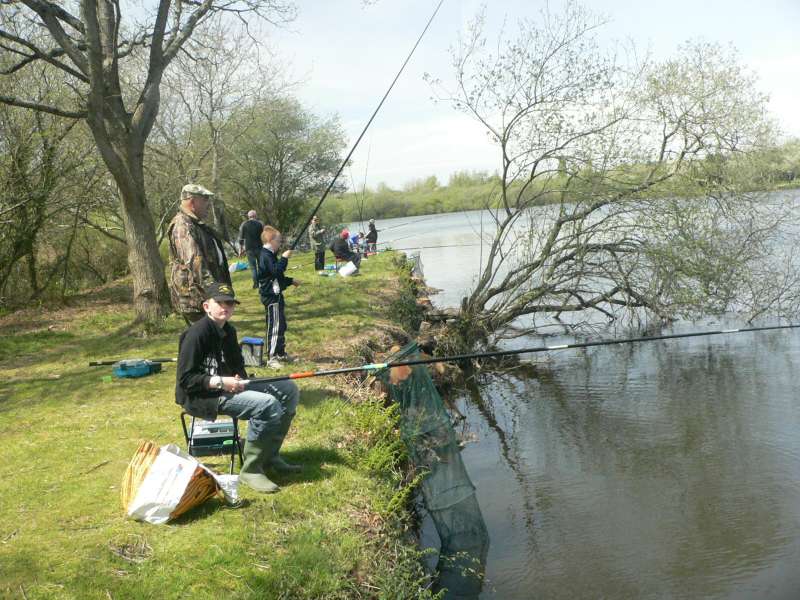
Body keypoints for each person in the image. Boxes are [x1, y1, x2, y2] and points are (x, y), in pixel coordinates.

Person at [175, 282, 301, 494]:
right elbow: (186, 380)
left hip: (227, 387)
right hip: (202, 396)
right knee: (267, 405)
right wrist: (222, 382)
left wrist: (238, 378)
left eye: (230, 303)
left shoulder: (229, 331)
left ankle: (270, 455)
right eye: (220, 302)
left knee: (289, 389)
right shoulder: (196, 334)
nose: (226, 307)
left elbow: (237, 367)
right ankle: (251, 469)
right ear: (207, 306)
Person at [168, 183, 232, 325]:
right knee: (207, 337)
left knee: (218, 336)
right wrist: (215, 294)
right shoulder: (182, 225)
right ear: (192, 201)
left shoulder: (195, 224)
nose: (208, 204)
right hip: (197, 301)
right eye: (204, 200)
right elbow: (195, 263)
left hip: (207, 298)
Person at [257, 226, 300, 368]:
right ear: (271, 240)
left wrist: (291, 281)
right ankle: (271, 358)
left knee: (281, 325)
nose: (280, 244)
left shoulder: (270, 255)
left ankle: (280, 353)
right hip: (271, 297)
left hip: (276, 295)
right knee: (274, 327)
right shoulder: (265, 255)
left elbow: (277, 277)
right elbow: (276, 271)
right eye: (279, 241)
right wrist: (284, 258)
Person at [237, 210, 264, 289]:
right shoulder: (260, 224)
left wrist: (240, 250)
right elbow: (264, 236)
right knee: (261, 266)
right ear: (255, 216)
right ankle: (262, 282)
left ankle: (256, 284)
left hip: (249, 248)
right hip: (259, 247)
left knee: (253, 267)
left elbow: (241, 238)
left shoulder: (244, 224)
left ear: (248, 217)